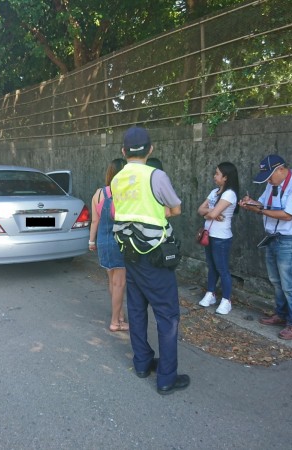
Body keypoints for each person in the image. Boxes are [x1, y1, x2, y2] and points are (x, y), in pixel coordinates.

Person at [111, 126, 190, 395]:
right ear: (150, 150)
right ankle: (166, 378)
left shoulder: (116, 180)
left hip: (129, 252)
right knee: (167, 315)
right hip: (155, 255)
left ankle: (142, 363)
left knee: (136, 309)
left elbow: (121, 212)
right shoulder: (156, 176)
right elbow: (175, 209)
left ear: (123, 152)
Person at [239, 154, 292, 340]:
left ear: (281, 169)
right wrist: (251, 203)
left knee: (289, 283)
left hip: (290, 240)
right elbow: (264, 203)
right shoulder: (272, 184)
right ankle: (281, 314)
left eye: (270, 176)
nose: (269, 180)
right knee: (275, 280)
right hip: (272, 237)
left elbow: (288, 215)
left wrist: (259, 210)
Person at [89, 158, 128, 332]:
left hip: (103, 241)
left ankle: (119, 316)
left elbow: (94, 221)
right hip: (119, 242)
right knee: (119, 284)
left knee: (112, 282)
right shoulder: (126, 193)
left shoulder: (98, 194)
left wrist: (91, 241)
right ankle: (115, 322)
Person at [197, 162, 240, 315]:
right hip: (209, 234)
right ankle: (211, 293)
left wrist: (210, 213)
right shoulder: (214, 192)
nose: (214, 176)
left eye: (217, 174)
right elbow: (200, 209)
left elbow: (213, 214)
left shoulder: (229, 194)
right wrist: (211, 211)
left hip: (221, 237)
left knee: (222, 269)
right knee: (211, 266)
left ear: (226, 177)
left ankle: (226, 300)